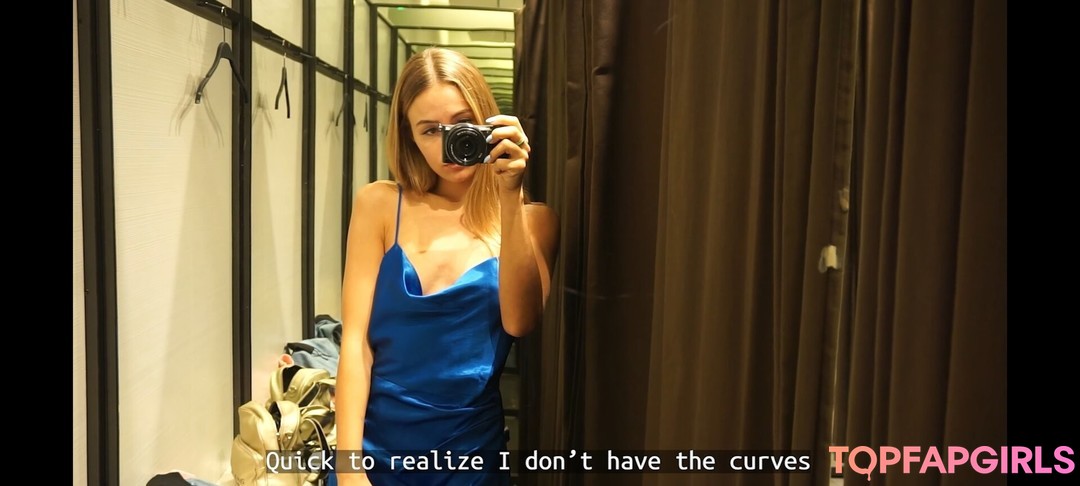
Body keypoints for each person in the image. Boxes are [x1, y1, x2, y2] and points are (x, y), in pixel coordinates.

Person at [332, 47, 560, 486]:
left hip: (471, 456)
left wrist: (509, 193)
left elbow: (520, 322)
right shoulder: (380, 205)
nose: (449, 144)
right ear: (409, 137)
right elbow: (355, 344)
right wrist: (349, 469)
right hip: (374, 449)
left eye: (461, 123)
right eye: (430, 130)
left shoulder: (534, 221)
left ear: (489, 120)